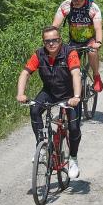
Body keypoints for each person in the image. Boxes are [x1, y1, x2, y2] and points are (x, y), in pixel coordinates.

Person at [16, 26, 83, 179]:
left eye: (55, 40)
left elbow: (76, 74)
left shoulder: (70, 53)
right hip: (50, 92)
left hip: (70, 95)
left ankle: (73, 159)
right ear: (43, 42)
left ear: (60, 40)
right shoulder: (39, 54)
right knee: (34, 109)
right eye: (47, 41)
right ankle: (42, 146)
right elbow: (25, 73)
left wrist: (76, 96)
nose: (51, 44)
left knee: (74, 128)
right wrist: (20, 93)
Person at [54, 0, 103, 92]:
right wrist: (52, 40)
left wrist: (99, 42)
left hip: (90, 39)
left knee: (92, 51)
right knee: (66, 62)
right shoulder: (66, 5)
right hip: (74, 40)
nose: (76, 1)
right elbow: (55, 26)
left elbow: (98, 28)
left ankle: (96, 76)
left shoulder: (93, 8)